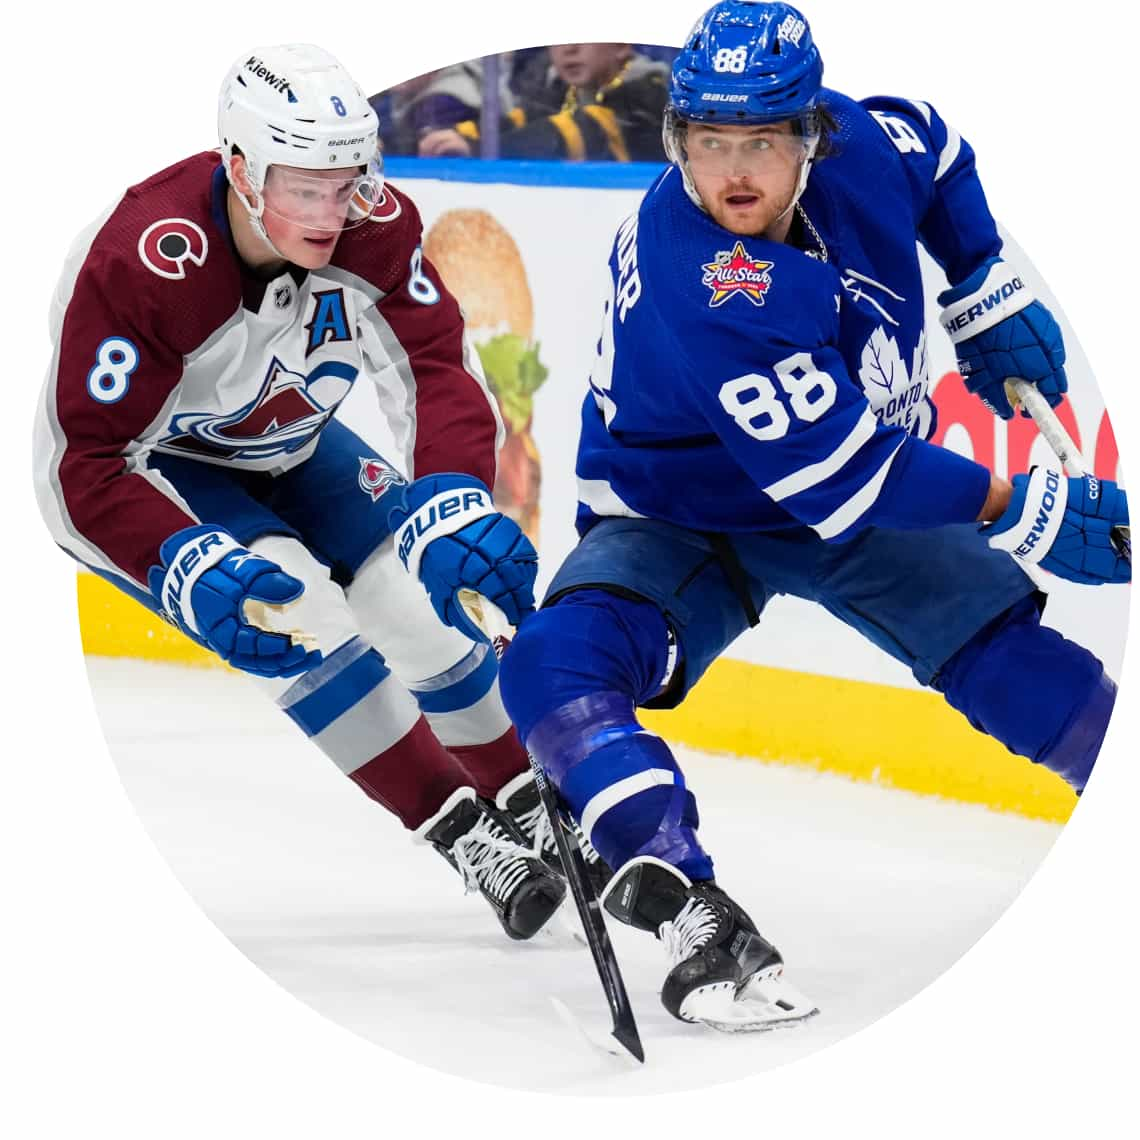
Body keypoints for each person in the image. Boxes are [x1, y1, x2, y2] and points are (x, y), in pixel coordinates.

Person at [497, 0, 1130, 1032]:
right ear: (677, 140)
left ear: (811, 135)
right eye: (708, 143)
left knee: (1011, 663)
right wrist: (1023, 504)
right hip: (682, 510)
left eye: (760, 142)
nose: (733, 173)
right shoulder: (705, 274)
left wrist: (983, 284)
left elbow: (937, 146)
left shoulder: (862, 148)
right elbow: (846, 479)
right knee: (550, 667)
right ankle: (692, 905)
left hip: (852, 468)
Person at [33, 44, 568, 942]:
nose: (331, 212)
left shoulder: (375, 224)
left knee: (417, 600)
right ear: (241, 171)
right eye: (302, 187)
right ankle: (462, 829)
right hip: (167, 468)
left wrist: (451, 498)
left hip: (300, 446)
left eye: (346, 181)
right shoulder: (145, 259)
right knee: (294, 612)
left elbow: (433, 366)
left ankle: (530, 794)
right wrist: (179, 560)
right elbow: (82, 461)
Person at [418, 44, 669, 162]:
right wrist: (451, 136)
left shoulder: (650, 89)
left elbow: (576, 131)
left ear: (621, 45)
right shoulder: (559, 91)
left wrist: (476, 147)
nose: (569, 48)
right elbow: (518, 121)